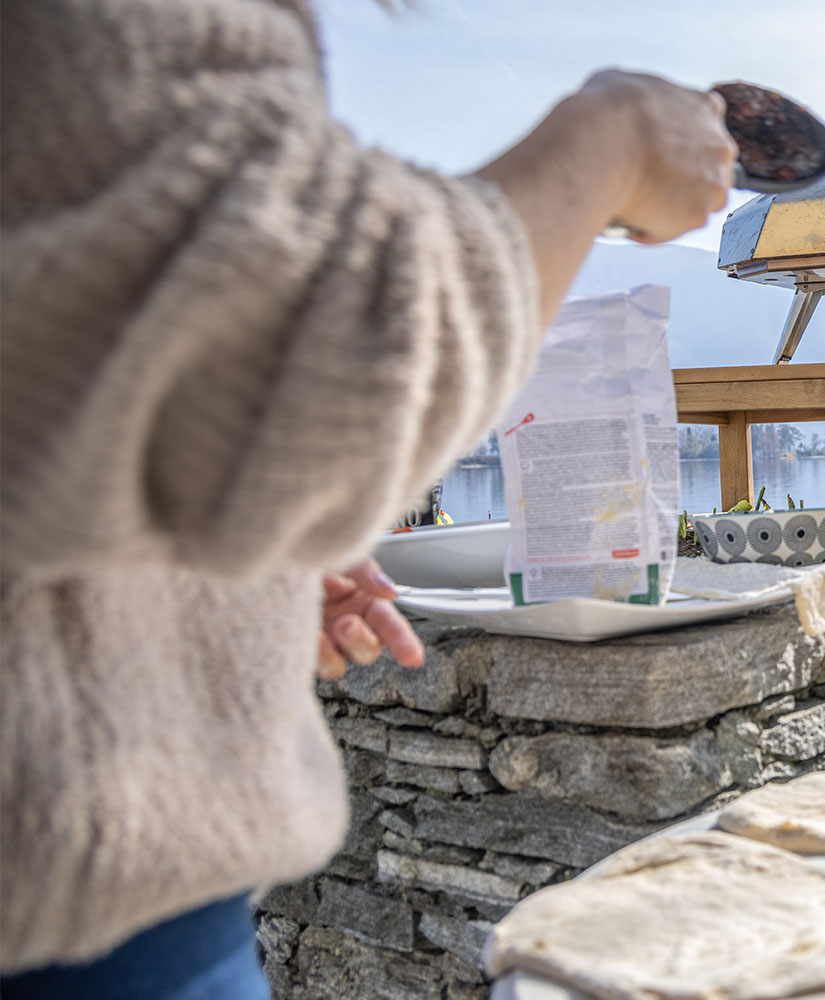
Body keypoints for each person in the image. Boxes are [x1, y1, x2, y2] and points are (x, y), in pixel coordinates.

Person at [0, 0, 736, 995]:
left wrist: (223, 568)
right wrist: (610, 143)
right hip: (74, 924)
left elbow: (75, 354)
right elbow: (276, 340)